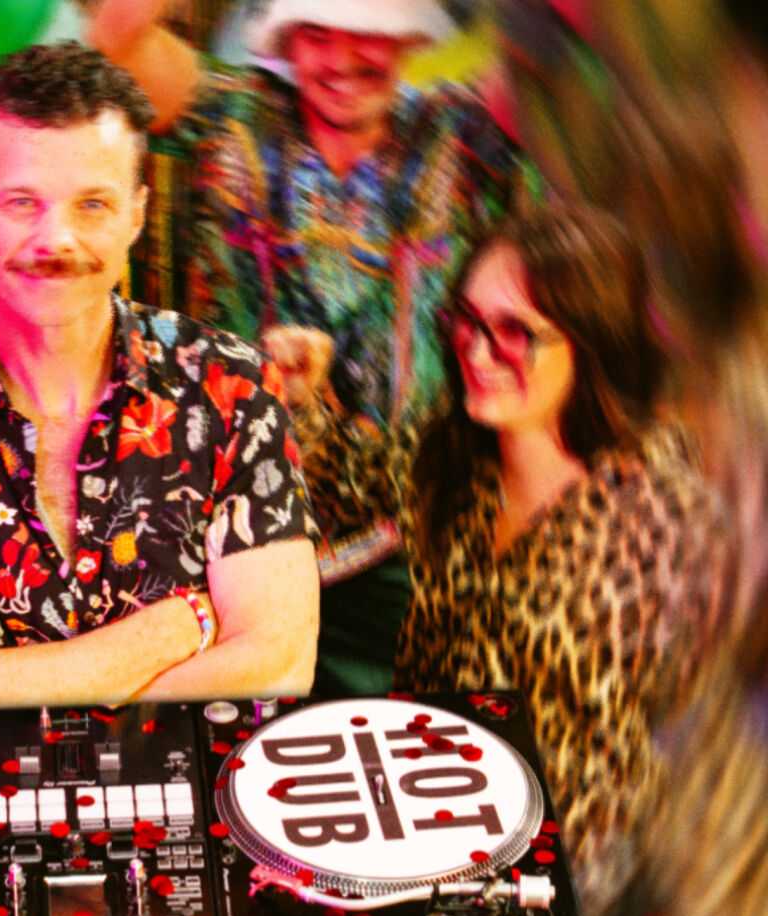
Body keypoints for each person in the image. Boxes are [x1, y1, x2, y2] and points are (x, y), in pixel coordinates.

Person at [0, 41, 320, 712]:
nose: (55, 240)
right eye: (22, 203)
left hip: (210, 782)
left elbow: (280, 664)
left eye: (92, 204)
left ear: (137, 214)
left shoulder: (230, 387)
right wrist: (178, 629)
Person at [277, 205, 725, 916]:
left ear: (593, 340)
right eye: (466, 321)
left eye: (515, 332)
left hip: (570, 895)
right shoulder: (449, 452)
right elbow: (339, 479)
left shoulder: (667, 517)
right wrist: (303, 395)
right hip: (419, 846)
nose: (476, 353)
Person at [89, 0, 529, 695]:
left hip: (409, 540)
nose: (343, 60)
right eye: (319, 34)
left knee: (393, 742)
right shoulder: (231, 114)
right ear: (288, 41)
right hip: (231, 539)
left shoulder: (458, 136)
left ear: (409, 40)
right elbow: (114, 42)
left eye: (370, 35)